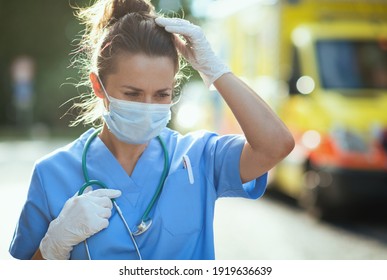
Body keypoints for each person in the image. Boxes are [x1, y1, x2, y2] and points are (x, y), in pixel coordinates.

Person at [9, 0, 294, 260]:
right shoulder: (52, 173)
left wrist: (215, 70)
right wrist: (52, 247)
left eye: (161, 94)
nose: (147, 106)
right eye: (133, 94)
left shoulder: (199, 158)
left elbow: (276, 145)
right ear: (99, 87)